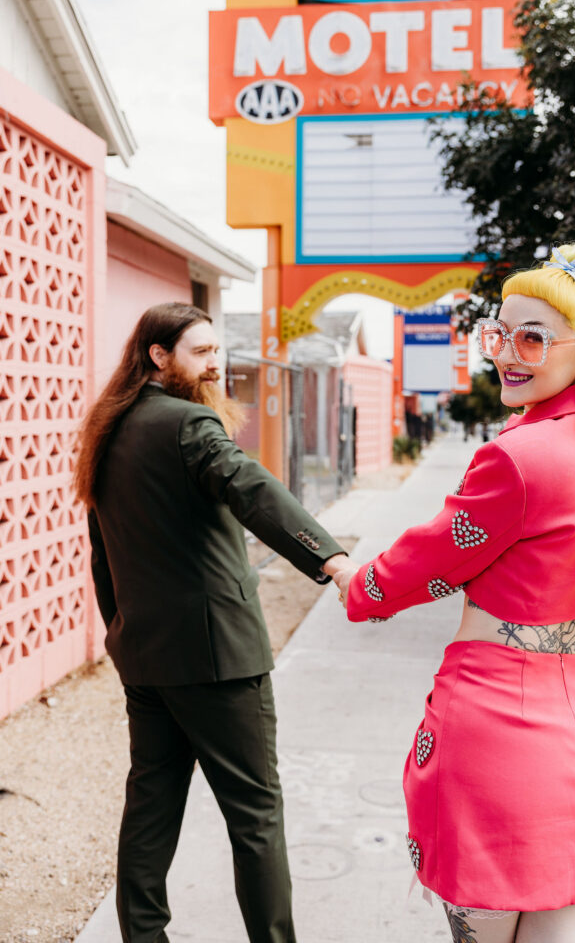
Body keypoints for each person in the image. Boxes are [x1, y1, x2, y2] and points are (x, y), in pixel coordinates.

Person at [334, 242, 575, 943]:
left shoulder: (520, 458)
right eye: (499, 333)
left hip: (494, 737)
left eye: (533, 337)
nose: (506, 354)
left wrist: (354, 582)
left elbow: (432, 556)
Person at [72, 302, 355, 943]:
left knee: (150, 805)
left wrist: (120, 633)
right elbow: (250, 486)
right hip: (220, 659)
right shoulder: (190, 424)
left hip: (146, 655)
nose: (214, 364)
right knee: (255, 815)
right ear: (159, 355)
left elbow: (102, 552)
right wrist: (332, 559)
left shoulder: (107, 428)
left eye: (216, 351)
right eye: (200, 353)